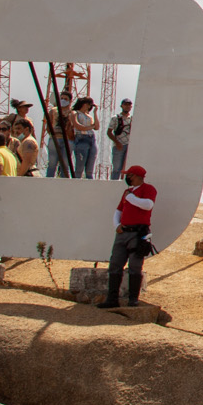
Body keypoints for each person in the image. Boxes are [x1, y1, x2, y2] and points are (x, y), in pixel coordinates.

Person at [103, 164, 155, 309]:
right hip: (123, 231)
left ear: (137, 176)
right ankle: (112, 299)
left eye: (130, 175)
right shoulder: (127, 192)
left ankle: (133, 299)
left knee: (135, 265)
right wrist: (116, 225)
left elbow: (148, 205)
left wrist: (131, 197)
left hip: (138, 233)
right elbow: (119, 210)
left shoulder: (148, 189)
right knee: (115, 264)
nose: (128, 178)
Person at [45, 93, 74, 177]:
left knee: (65, 164)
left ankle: (64, 183)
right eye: (61, 98)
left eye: (65, 99)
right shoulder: (53, 110)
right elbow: (48, 126)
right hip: (55, 139)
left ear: (70, 100)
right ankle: (48, 181)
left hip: (68, 140)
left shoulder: (72, 112)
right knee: (52, 163)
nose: (63, 100)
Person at [70, 97, 99, 179]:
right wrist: (90, 127)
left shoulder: (89, 116)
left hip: (91, 139)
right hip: (81, 138)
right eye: (88, 104)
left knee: (90, 166)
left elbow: (96, 127)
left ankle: (89, 181)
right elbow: (78, 126)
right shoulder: (75, 113)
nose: (89, 106)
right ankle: (76, 181)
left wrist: (95, 113)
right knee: (80, 165)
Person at [107, 99, 134, 180]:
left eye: (129, 105)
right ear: (122, 106)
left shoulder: (132, 118)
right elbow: (109, 132)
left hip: (129, 145)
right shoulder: (115, 118)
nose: (127, 106)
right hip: (119, 146)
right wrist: (117, 143)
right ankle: (113, 183)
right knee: (116, 168)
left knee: (127, 168)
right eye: (125, 104)